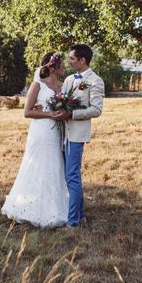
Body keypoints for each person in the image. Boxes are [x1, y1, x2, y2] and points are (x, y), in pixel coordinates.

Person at [1, 52, 69, 228]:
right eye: (62, 64)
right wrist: (49, 113)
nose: (65, 67)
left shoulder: (63, 86)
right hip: (41, 131)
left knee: (55, 165)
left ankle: (55, 206)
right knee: (37, 164)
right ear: (52, 66)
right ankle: (29, 207)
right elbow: (27, 112)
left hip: (56, 132)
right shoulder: (37, 85)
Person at [52, 44, 105, 228]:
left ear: (83, 60)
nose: (69, 61)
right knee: (69, 176)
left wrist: (72, 114)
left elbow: (96, 110)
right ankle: (80, 216)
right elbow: (62, 100)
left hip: (76, 134)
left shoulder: (95, 81)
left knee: (72, 176)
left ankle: (73, 223)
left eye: (72, 58)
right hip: (62, 133)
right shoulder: (68, 79)